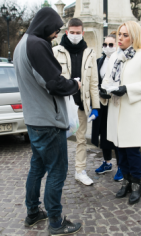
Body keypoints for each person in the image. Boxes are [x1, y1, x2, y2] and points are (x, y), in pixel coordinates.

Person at [13, 8, 82, 235]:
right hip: (48, 122)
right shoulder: (37, 45)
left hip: (34, 120)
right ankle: (55, 222)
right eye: (55, 30)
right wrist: (75, 85)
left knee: (37, 168)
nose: (56, 34)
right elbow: (54, 83)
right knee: (57, 171)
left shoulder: (23, 43)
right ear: (46, 25)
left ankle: (33, 213)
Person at [101, 21, 141, 204]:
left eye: (125, 35)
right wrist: (104, 91)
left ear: (134, 37)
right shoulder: (115, 58)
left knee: (132, 150)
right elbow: (107, 80)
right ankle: (125, 181)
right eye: (119, 34)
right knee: (119, 149)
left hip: (132, 111)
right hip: (116, 109)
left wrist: (127, 89)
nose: (120, 38)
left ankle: (136, 184)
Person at [53, 18, 100, 186]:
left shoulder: (89, 53)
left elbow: (94, 82)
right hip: (62, 105)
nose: (74, 36)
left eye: (77, 33)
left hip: (81, 105)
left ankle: (80, 171)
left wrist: (96, 106)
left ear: (83, 33)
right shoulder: (56, 51)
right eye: (71, 33)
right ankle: (57, 172)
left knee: (81, 139)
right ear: (67, 32)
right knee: (59, 141)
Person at [91, 31, 123, 181]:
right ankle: (107, 162)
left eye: (111, 44)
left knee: (116, 134)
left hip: (116, 103)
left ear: (116, 45)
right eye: (105, 44)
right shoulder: (99, 61)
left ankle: (122, 166)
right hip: (102, 103)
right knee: (103, 133)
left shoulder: (121, 61)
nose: (107, 47)